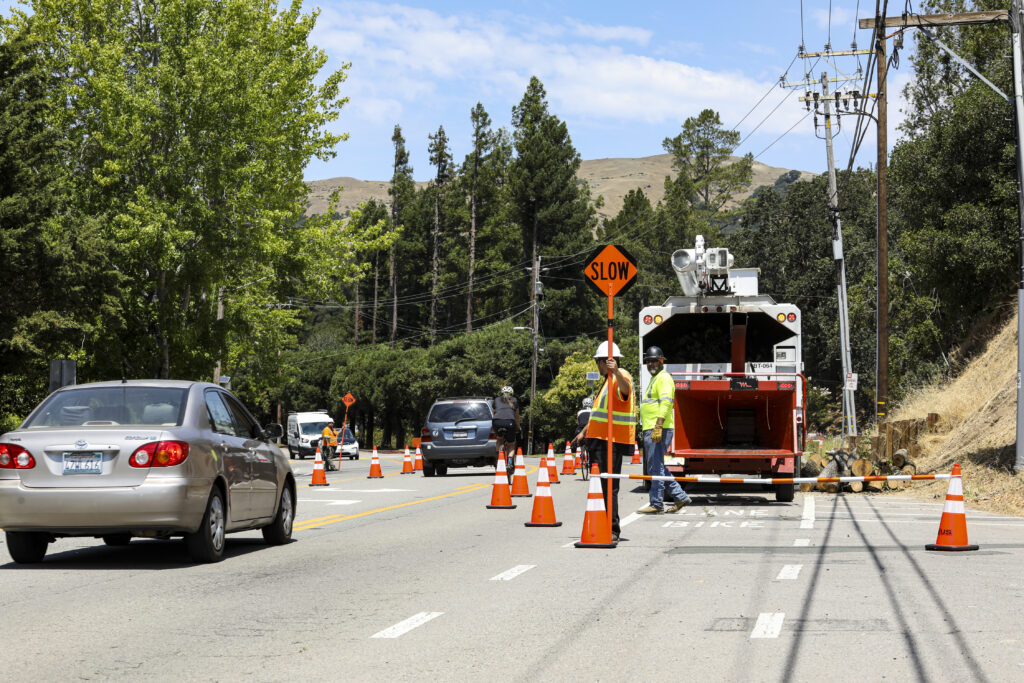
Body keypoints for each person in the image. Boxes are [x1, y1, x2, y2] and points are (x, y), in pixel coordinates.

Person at [571, 341, 635, 543]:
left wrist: (615, 372)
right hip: (599, 440)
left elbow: (626, 391)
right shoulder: (607, 382)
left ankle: (613, 529)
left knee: (609, 486)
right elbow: (599, 414)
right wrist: (583, 433)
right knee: (601, 485)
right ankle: (603, 523)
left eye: (598, 363)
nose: (598, 367)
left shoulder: (620, 376)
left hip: (611, 441)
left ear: (604, 362)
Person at [637, 346, 692, 514]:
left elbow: (666, 402)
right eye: (648, 361)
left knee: (655, 467)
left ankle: (656, 503)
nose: (651, 364)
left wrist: (658, 425)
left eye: (655, 360)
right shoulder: (656, 379)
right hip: (653, 428)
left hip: (658, 428)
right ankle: (680, 496)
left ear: (662, 361)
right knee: (657, 466)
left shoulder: (663, 378)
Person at [492, 386, 520, 463]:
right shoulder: (514, 400)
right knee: (511, 444)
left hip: (497, 422)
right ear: (512, 394)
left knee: (499, 439)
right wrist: (518, 427)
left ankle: (498, 458)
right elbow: (517, 416)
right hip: (510, 422)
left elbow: (494, 413)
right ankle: (510, 462)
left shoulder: (496, 399)